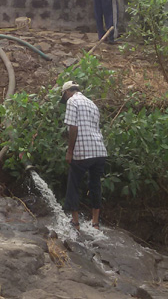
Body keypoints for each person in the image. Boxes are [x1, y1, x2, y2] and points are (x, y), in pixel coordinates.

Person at [61, 81, 107, 231]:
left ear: (67, 92)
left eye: (64, 97)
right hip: (99, 151)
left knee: (73, 184)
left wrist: (70, 151)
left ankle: (75, 223)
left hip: (83, 151)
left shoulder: (72, 101)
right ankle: (95, 223)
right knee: (95, 185)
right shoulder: (92, 104)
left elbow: (73, 127)